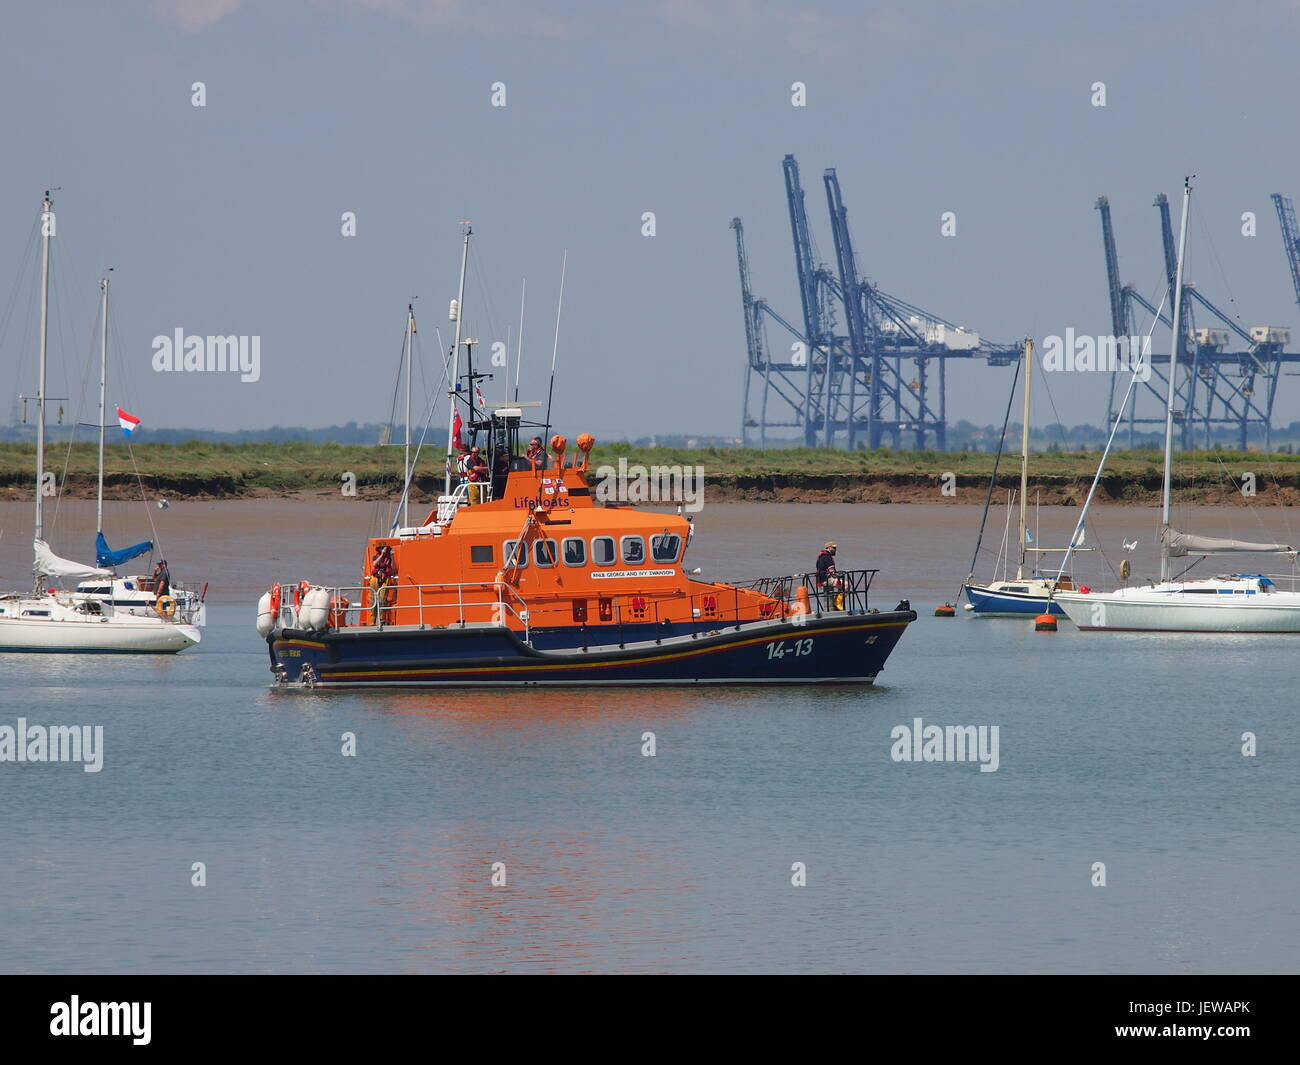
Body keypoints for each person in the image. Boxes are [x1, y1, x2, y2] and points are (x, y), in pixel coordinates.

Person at [815, 541, 840, 608]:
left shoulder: (821, 556)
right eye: (834, 548)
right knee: (846, 585)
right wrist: (839, 576)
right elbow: (832, 571)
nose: (835, 550)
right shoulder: (827, 557)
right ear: (829, 548)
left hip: (821, 579)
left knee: (841, 582)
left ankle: (834, 604)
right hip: (826, 579)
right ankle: (837, 603)